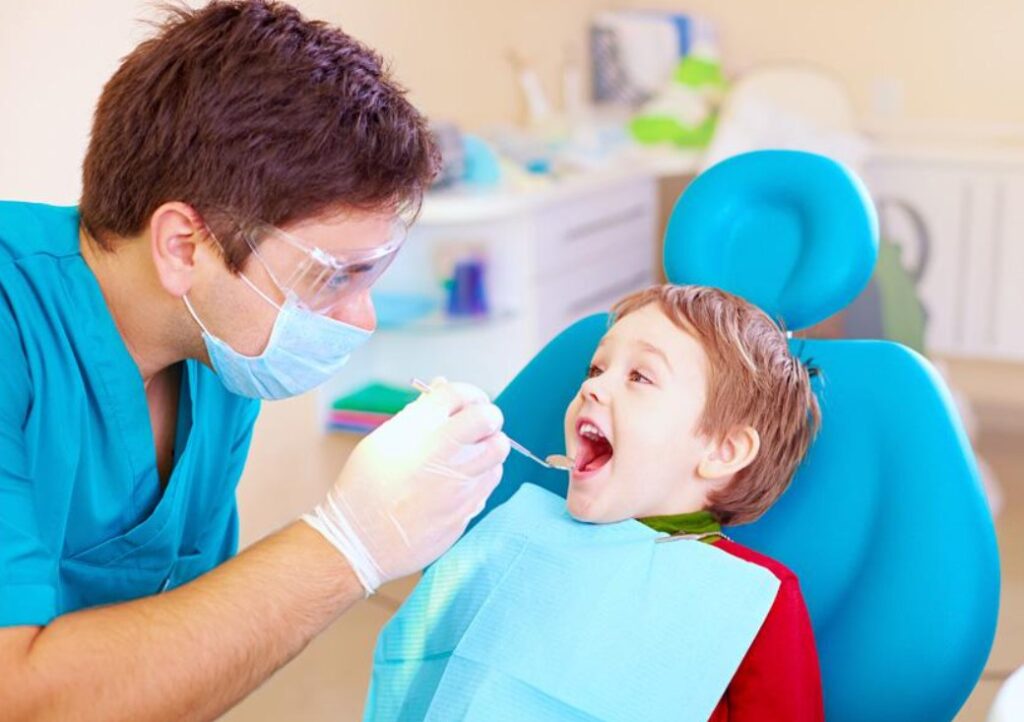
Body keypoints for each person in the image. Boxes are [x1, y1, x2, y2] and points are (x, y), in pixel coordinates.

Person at [0, 2, 509, 720]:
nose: (360, 317)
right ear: (185, 247)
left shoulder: (218, 359)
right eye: (335, 274)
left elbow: (187, 656)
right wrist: (348, 543)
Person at [367, 284, 824, 721]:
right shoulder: (521, 533)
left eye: (640, 376)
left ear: (723, 451)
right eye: (596, 370)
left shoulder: (750, 599)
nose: (592, 388)